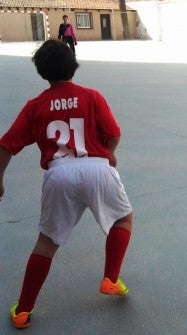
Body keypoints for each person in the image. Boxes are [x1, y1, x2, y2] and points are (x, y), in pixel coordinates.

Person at [0, 40, 133, 329]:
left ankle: (22, 311)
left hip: (59, 172)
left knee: (47, 242)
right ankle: (110, 278)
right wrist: (109, 153)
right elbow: (114, 133)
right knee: (122, 219)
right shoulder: (91, 96)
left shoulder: (35, 106)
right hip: (98, 167)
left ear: (42, 72)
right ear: (73, 63)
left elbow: (6, 146)